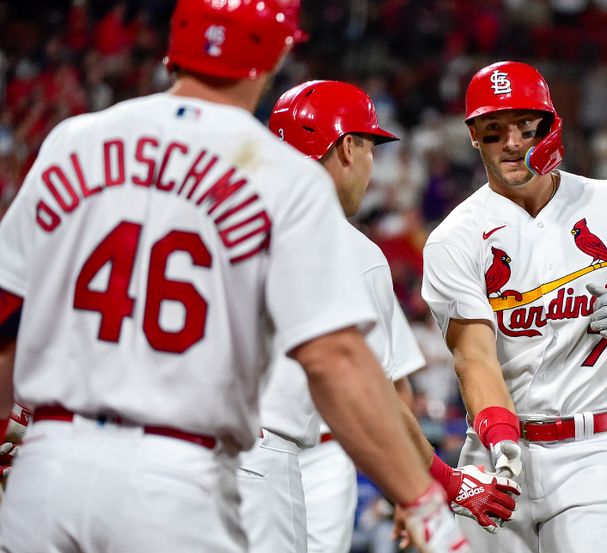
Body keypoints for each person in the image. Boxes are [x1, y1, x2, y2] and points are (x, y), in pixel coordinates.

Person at [0, 3, 466, 552]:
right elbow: (334, 360)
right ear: (272, 57)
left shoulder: (73, 141)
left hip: (52, 462)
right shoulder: (281, 177)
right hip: (180, 473)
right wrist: (422, 499)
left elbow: (9, 318)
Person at [421, 60, 607, 553]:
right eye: (494, 131)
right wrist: (500, 443)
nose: (513, 142)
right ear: (474, 137)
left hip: (597, 449)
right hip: (498, 445)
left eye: (526, 126)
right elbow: (473, 357)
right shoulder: (455, 238)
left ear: (550, 125)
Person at [238, 80, 518, 553]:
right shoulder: (350, 248)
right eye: (369, 148)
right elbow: (380, 401)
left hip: (169, 456)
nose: (372, 165)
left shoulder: (219, 214)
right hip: (263, 459)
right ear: (347, 147)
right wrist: (446, 485)